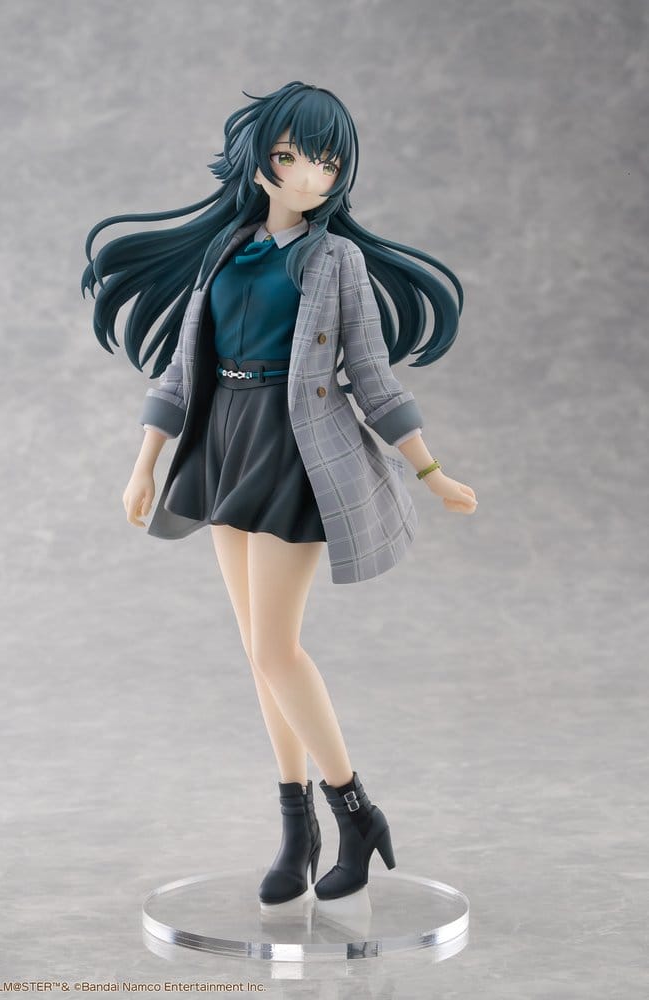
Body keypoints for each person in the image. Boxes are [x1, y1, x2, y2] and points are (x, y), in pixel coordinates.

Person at [82, 81, 477, 906]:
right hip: (221, 443)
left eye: (327, 163)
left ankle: (355, 811)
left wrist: (430, 470)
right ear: (258, 159)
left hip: (295, 449)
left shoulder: (337, 261)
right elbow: (182, 367)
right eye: (293, 157)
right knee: (256, 653)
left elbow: (372, 377)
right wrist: (144, 462)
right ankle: (297, 833)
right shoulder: (225, 249)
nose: (309, 176)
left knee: (275, 650)